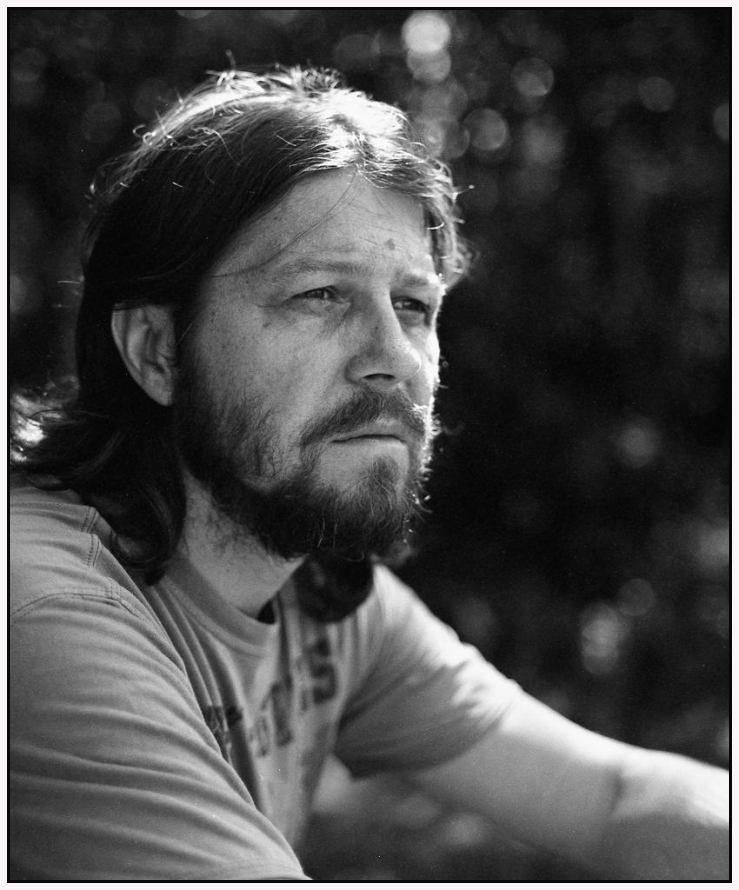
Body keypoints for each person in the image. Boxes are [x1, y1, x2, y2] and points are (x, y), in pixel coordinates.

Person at [9, 66, 728, 882]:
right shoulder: (42, 613)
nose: (395, 360)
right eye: (320, 295)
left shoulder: (316, 595)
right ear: (157, 351)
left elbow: (611, 798)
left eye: (413, 306)